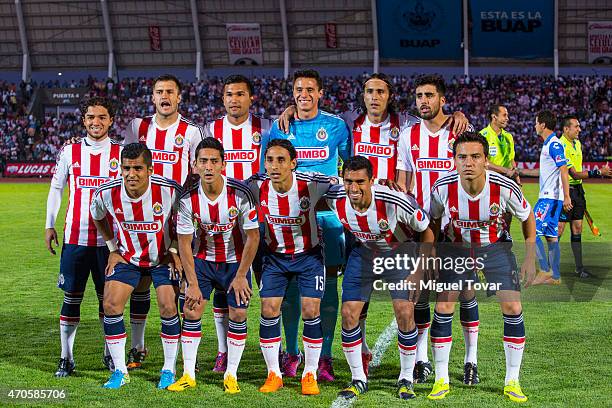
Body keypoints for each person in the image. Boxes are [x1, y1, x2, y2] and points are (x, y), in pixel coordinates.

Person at [279, 73, 469, 376]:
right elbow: (313, 115)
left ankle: (421, 358)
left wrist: (457, 115)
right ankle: (363, 348)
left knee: (418, 291)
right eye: (369, 91)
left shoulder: (404, 125)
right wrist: (291, 110)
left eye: (381, 91)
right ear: (363, 96)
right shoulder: (350, 126)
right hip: (359, 218)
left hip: (399, 217)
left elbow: (433, 119)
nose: (375, 97)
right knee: (359, 291)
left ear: (389, 96)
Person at [427, 132, 536, 402]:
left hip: (495, 248)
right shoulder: (442, 187)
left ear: (486, 160)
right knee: (443, 307)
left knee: (512, 307)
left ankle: (512, 380)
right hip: (457, 248)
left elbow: (527, 215)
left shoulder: (505, 187)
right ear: (454, 159)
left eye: (475, 156)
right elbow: (431, 220)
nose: (468, 163)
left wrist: (530, 257)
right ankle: (441, 379)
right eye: (462, 156)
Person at [264, 69, 350, 381]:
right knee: (287, 288)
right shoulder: (280, 126)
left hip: (326, 219)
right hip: (288, 222)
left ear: (320, 93)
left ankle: (325, 355)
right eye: (299, 89)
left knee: (326, 288)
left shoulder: (337, 126)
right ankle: (290, 352)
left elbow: (350, 166)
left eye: (310, 89)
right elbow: (266, 169)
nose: (304, 94)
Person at [325, 156, 433, 401]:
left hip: (399, 251)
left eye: (360, 182)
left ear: (372, 181)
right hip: (364, 253)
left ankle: (406, 378)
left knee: (404, 312)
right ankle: (358, 379)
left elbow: (426, 230)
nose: (354, 188)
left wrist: (418, 270)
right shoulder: (335, 198)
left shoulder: (394, 201)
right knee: (349, 313)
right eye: (348, 181)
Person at [396, 75, 478, 384]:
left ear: (442, 99)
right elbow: (404, 182)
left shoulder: (460, 131)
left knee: (464, 293)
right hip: (421, 227)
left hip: (455, 228)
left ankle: (471, 359)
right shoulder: (408, 135)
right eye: (418, 96)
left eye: (429, 95)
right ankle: (421, 358)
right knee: (420, 293)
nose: (423, 101)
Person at [122, 74, 204, 370]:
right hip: (142, 220)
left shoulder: (192, 131)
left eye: (170, 91)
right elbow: (123, 162)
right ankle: (138, 347)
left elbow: (198, 172)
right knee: (141, 281)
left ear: (179, 97)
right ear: (152, 97)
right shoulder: (137, 127)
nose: (165, 96)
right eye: (159, 91)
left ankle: (183, 356)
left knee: (180, 284)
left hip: (178, 219)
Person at [170, 137, 260, 393]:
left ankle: (230, 374)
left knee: (239, 314)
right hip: (203, 262)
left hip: (235, 264)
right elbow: (185, 243)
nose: (208, 167)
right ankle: (188, 374)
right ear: (195, 165)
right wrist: (193, 283)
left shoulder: (241, 194)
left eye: (213, 161)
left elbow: (253, 236)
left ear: (223, 164)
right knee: (191, 310)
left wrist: (242, 275)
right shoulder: (187, 199)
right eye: (203, 162)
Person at [90, 143, 182, 389]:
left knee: (168, 304)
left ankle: (168, 368)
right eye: (127, 168)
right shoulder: (106, 193)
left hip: (161, 258)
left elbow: (184, 220)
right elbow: (97, 216)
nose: (131, 174)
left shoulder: (169, 191)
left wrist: (174, 250)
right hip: (128, 258)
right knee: (110, 303)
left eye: (138, 168)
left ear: (150, 169)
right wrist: (112, 248)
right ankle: (120, 370)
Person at [247, 139, 336, 395]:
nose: (274, 166)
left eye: (281, 160)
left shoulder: (311, 183)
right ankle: (274, 373)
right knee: (268, 308)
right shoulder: (257, 185)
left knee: (310, 309)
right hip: (275, 257)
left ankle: (309, 373)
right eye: (270, 160)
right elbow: (232, 190)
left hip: (309, 256)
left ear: (293, 163)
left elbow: (339, 184)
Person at [45, 97, 122, 377]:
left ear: (111, 120)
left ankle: (110, 354)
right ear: (83, 120)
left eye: (102, 117)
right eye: (90, 117)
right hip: (75, 240)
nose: (95, 122)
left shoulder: (121, 152)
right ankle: (66, 357)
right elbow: (56, 188)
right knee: (71, 299)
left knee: (109, 302)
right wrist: (49, 224)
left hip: (109, 244)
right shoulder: (70, 151)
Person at [202, 74, 273, 372]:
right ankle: (222, 351)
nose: (234, 99)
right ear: (223, 98)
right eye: (229, 94)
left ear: (250, 98)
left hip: (262, 220)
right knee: (223, 290)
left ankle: (277, 350)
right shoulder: (211, 129)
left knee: (269, 289)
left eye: (240, 94)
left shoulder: (266, 128)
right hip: (223, 224)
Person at [557, 115, 611, 277]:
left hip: (578, 191)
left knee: (577, 228)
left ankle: (579, 268)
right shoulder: (560, 145)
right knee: (559, 230)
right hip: (565, 192)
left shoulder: (577, 143)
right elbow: (573, 173)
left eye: (579, 126)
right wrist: (598, 172)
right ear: (566, 129)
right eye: (576, 127)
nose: (579, 129)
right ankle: (550, 267)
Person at [530, 110, 572, 285]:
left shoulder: (553, 144)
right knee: (551, 236)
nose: (534, 125)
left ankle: (544, 270)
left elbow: (564, 170)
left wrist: (567, 196)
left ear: (543, 125)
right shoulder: (549, 144)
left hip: (549, 198)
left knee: (531, 230)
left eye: (536, 122)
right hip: (554, 198)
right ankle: (555, 275)